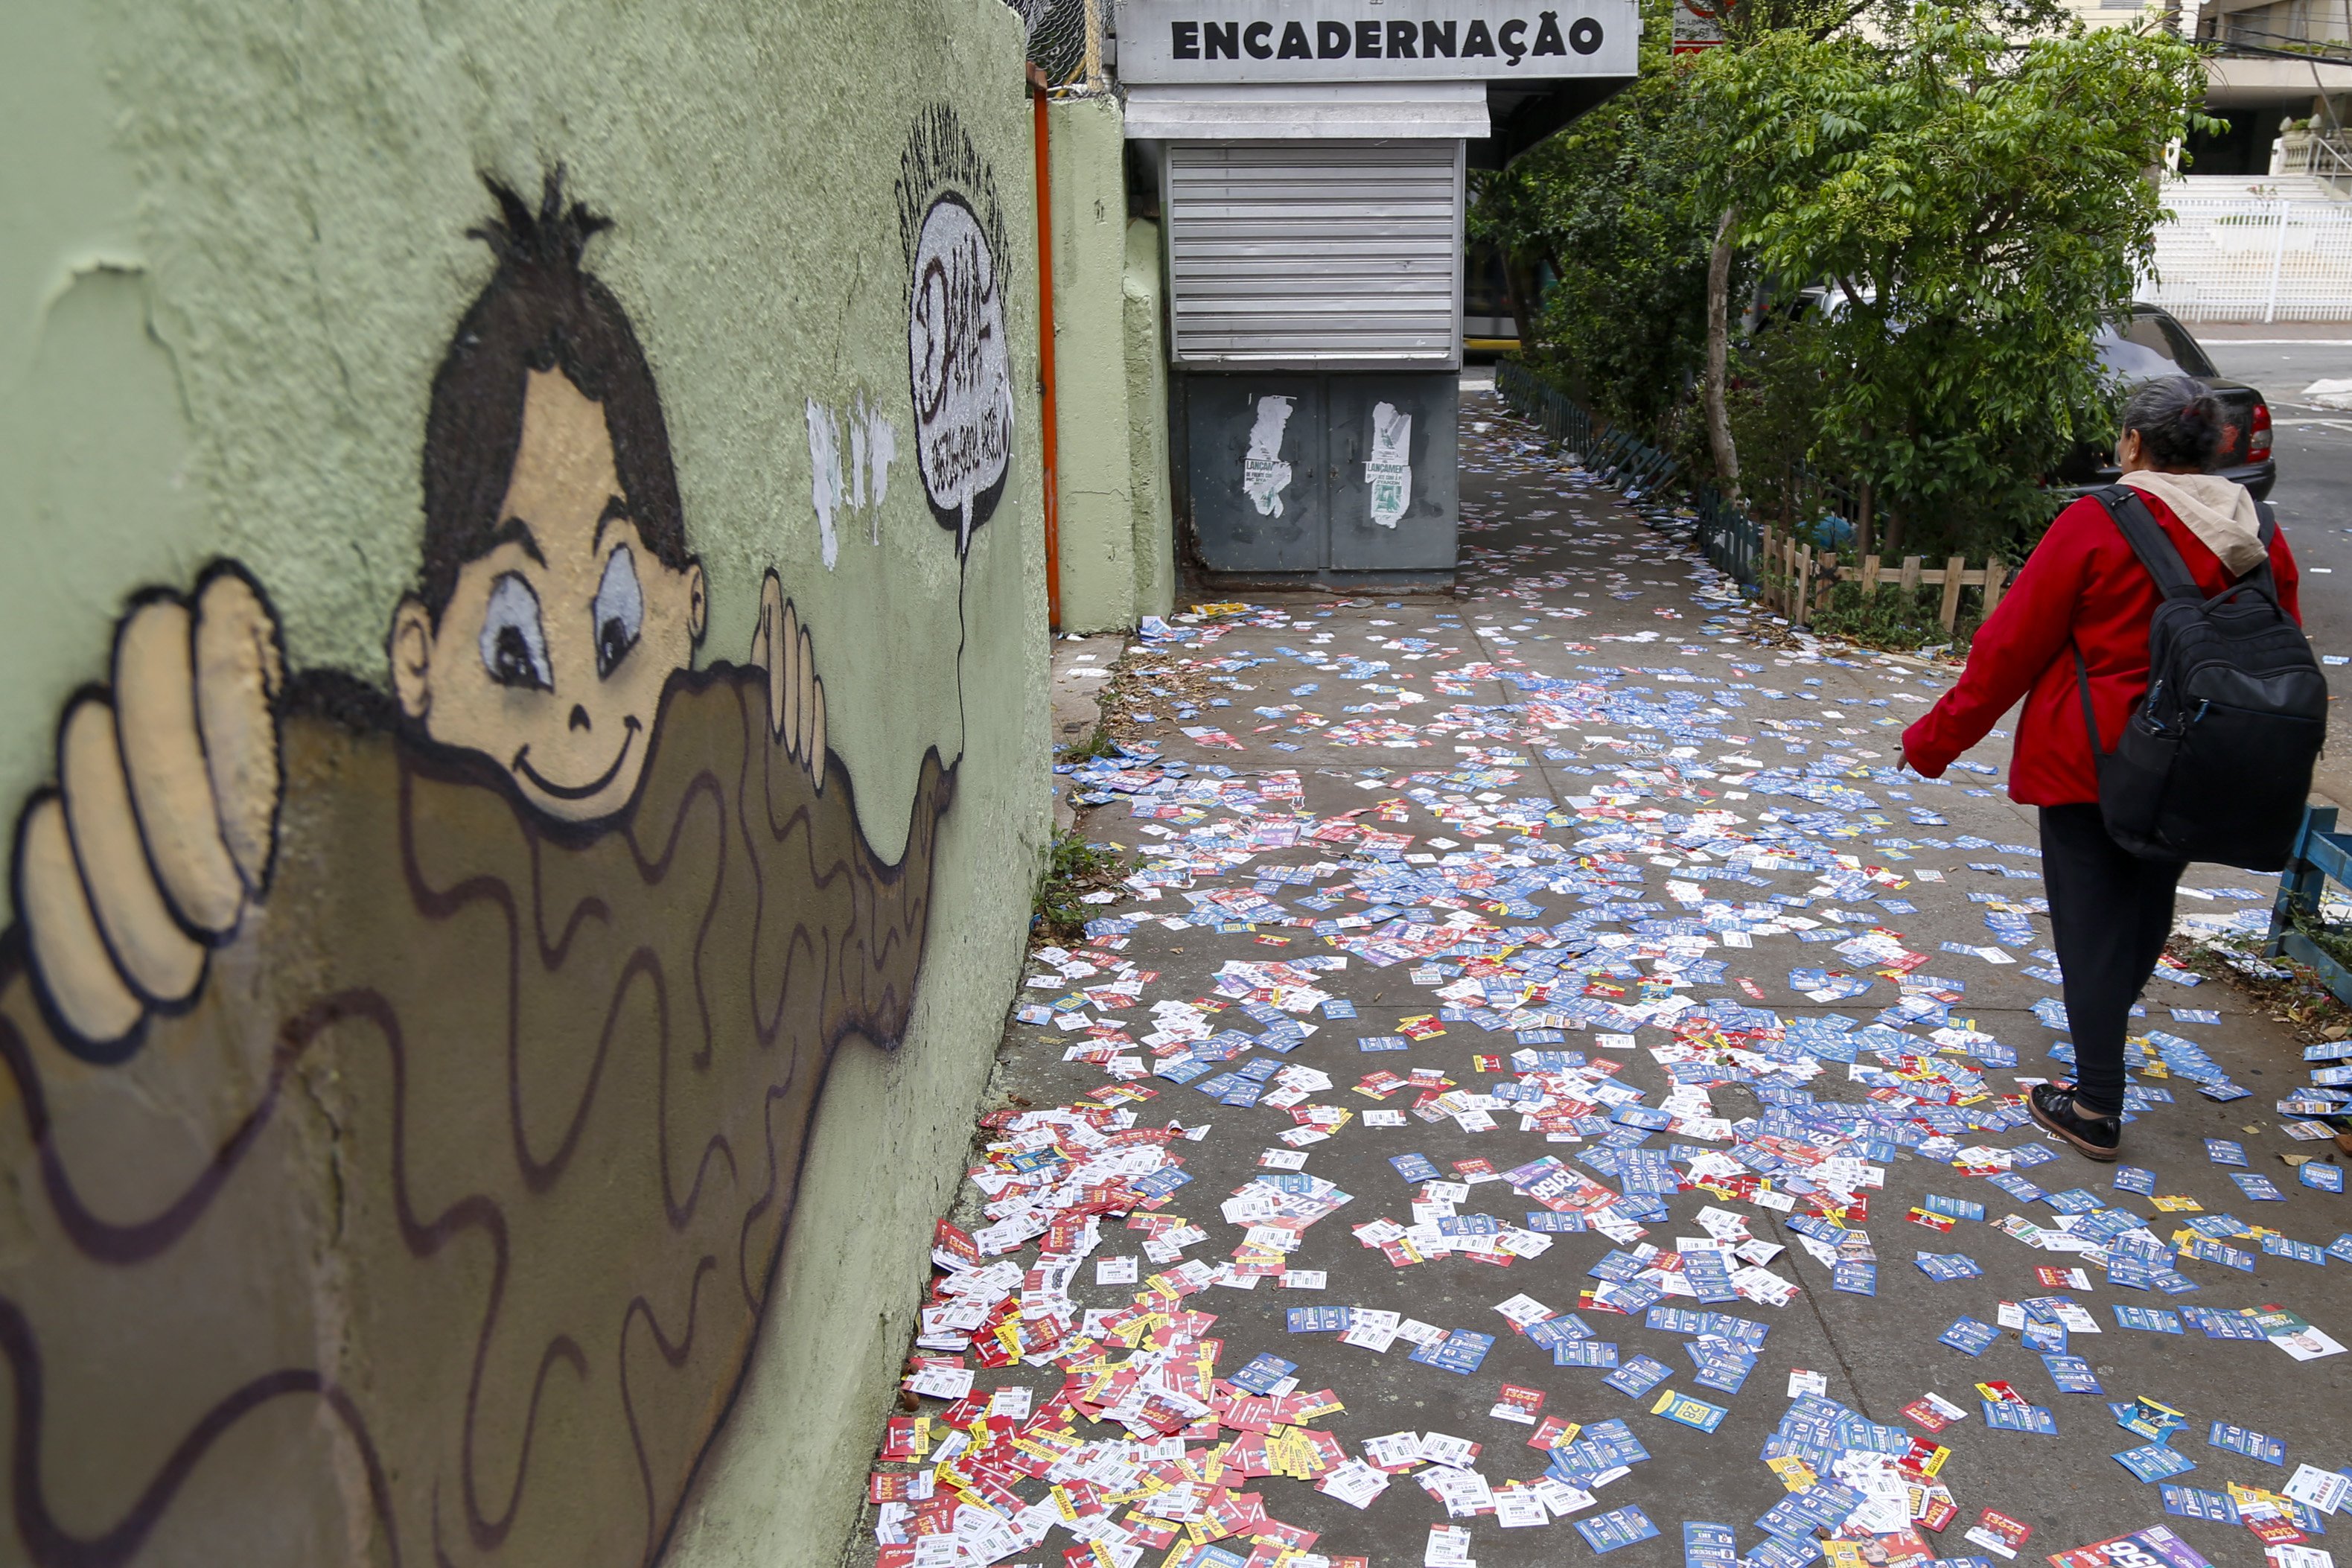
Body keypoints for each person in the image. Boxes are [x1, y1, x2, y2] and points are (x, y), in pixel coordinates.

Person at [1901, 375, 2301, 1161]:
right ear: (2218, 446)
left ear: (2132, 444)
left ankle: (2093, 1103)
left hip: (2091, 756)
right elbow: (2278, 636)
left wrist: (1934, 741)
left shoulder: (2097, 522)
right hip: (2198, 752)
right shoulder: (2257, 528)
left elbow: (2011, 647)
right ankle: (2102, 1032)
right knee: (2147, 904)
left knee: (2090, 923)